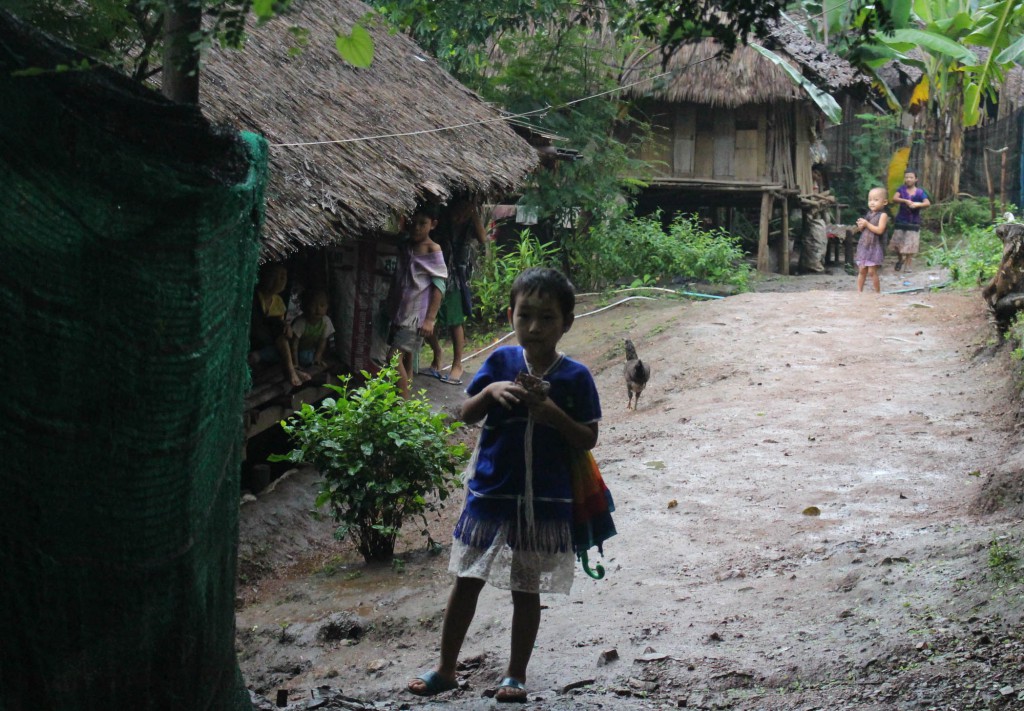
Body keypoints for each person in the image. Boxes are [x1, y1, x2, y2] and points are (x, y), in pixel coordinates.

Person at [406, 267, 601, 703]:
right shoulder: (498, 364)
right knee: (466, 580)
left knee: (525, 589)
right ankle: (446, 667)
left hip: (543, 501)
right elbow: (464, 413)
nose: (534, 327)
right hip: (491, 493)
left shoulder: (576, 377)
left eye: (547, 318)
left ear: (567, 322)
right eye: (524, 315)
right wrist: (491, 392)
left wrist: (551, 413)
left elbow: (588, 437)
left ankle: (515, 674)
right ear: (510, 314)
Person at [384, 203, 448, 398]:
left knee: (393, 360)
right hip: (400, 312)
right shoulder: (406, 245)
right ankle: (407, 400)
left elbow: (439, 286)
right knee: (405, 359)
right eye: (414, 222)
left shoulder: (432, 249)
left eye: (423, 223)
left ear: (433, 224)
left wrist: (430, 319)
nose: (417, 227)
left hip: (414, 317)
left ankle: (401, 406)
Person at [423, 198, 488, 385]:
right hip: (433, 269)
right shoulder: (440, 213)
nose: (460, 214)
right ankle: (437, 353)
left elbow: (483, 238)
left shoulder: (470, 219)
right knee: (427, 317)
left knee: (455, 320)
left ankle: (457, 363)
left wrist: (473, 214)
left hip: (455, 275)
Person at [248, 263, 310, 387]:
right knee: (276, 324)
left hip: (273, 342)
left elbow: (282, 324)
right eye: (279, 277)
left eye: (284, 277)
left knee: (284, 334)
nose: (283, 281)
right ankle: (291, 370)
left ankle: (291, 369)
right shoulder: (256, 297)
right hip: (256, 338)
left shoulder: (278, 301)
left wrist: (287, 327)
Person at [890, 170, 931, 273]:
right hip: (901, 220)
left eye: (911, 177)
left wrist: (918, 204)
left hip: (913, 222)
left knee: (911, 245)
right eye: (907, 177)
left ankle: (908, 266)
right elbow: (894, 198)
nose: (908, 179)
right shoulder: (901, 189)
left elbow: (927, 203)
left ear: (916, 179)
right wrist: (905, 201)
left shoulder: (920, 192)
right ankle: (900, 259)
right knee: (896, 244)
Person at [855, 187, 890, 293]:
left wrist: (867, 224)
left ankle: (877, 293)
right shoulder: (869, 214)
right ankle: (859, 292)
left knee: (871, 271)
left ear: (884, 202)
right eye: (870, 200)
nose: (872, 203)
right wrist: (861, 226)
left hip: (874, 247)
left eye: (876, 200)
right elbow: (864, 230)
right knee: (861, 270)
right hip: (864, 246)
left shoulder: (883, 215)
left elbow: (879, 230)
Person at [290, 289, 335, 368]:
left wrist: (317, 357)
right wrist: (295, 363)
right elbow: (294, 344)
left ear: (327, 306)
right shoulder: (301, 322)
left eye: (322, 305)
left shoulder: (326, 322)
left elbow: (322, 342)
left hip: (309, 349)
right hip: (295, 350)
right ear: (305, 306)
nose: (318, 309)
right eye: (313, 305)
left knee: (308, 357)